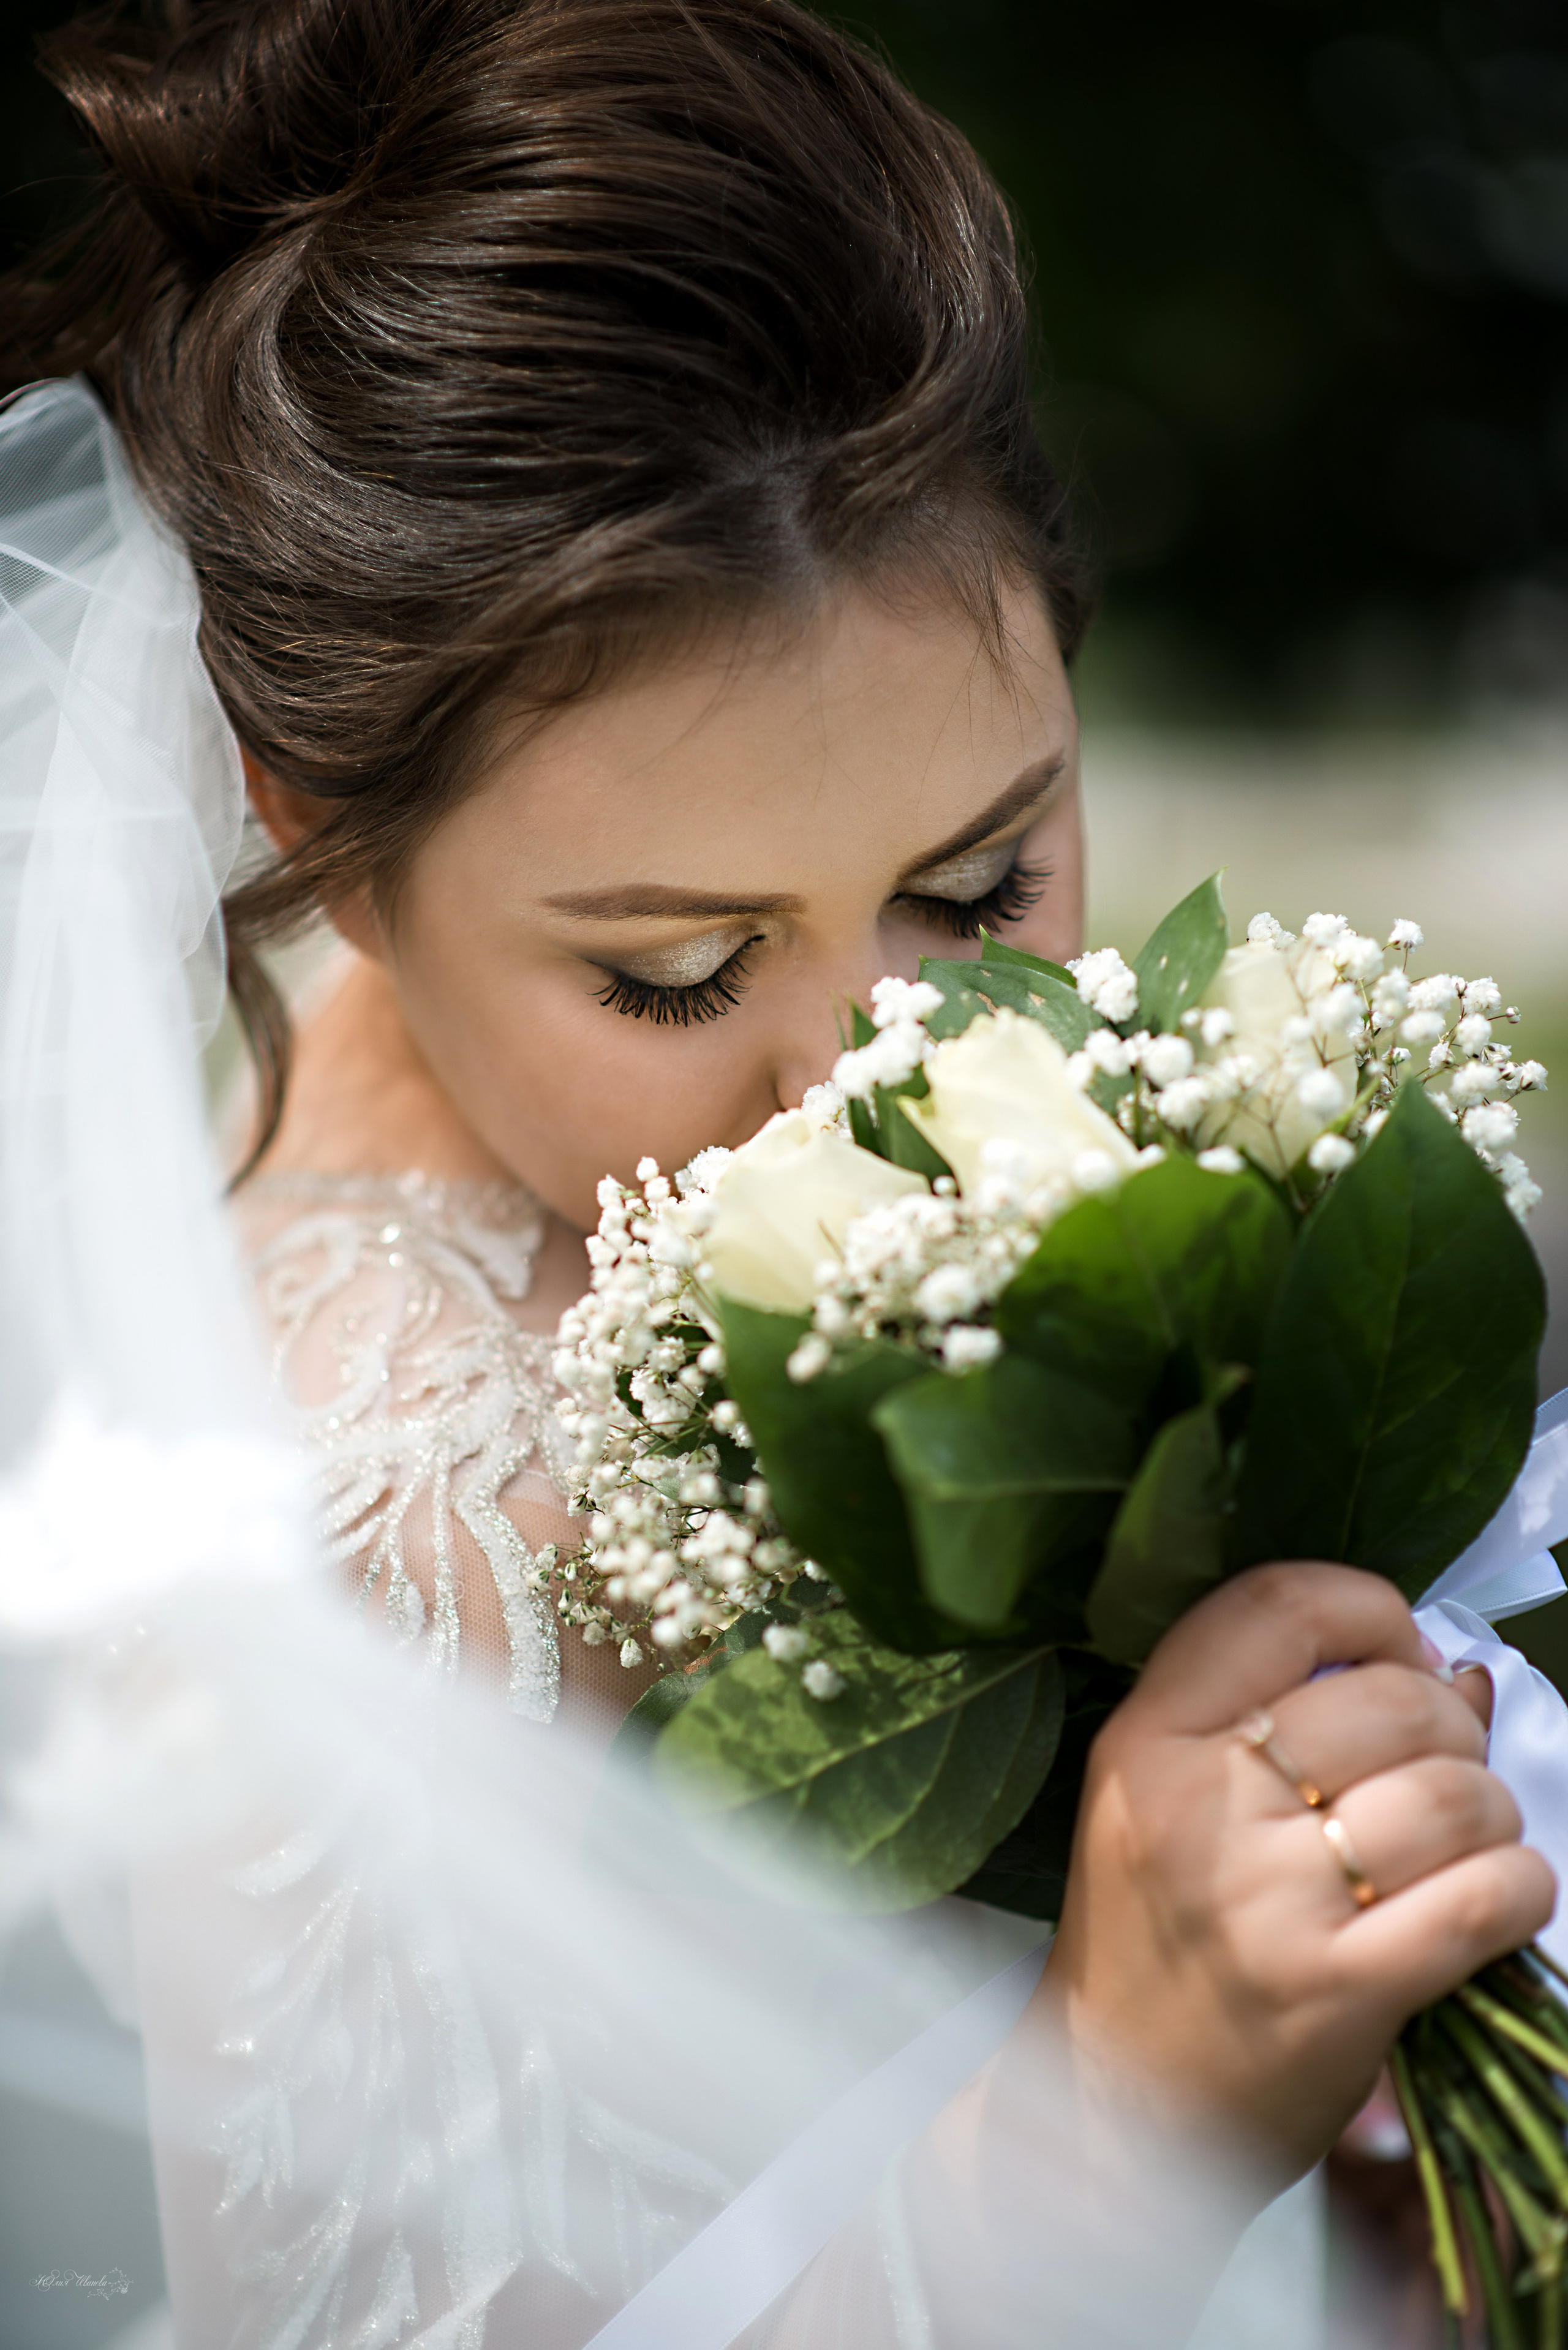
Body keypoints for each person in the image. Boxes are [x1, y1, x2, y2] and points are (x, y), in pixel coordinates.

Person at [0, 4, 1555, 2344]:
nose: (886, 1072)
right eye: (681, 968)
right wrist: (1124, 2121)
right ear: (318, 821)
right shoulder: (372, 1541)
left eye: (986, 874)